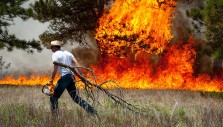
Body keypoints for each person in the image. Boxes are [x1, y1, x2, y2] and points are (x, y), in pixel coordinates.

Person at [48, 40, 97, 114]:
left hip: (65, 78)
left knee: (53, 97)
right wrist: (81, 76)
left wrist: (51, 80)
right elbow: (77, 64)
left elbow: (55, 68)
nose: (51, 49)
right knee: (75, 98)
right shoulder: (68, 53)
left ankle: (54, 118)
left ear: (54, 47)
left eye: (51, 47)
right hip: (72, 77)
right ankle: (92, 111)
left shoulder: (55, 54)